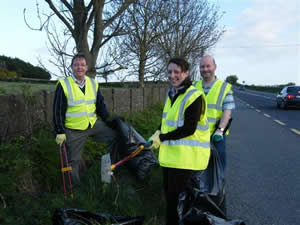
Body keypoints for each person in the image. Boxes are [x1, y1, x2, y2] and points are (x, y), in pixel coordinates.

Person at [148, 57, 211, 225]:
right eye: (169, 72)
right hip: (171, 156)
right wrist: (157, 131)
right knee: (170, 197)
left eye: (177, 72)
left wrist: (162, 137)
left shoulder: (194, 96)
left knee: (176, 200)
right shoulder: (172, 93)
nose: (172, 75)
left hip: (185, 158)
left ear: (186, 73)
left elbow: (189, 128)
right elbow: (167, 119)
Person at [53, 53, 121, 185]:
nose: (80, 67)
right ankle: (76, 189)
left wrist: (109, 121)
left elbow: (100, 106)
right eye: (76, 65)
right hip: (74, 129)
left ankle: (106, 174)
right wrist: (60, 131)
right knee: (73, 161)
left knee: (114, 136)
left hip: (93, 124)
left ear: (87, 67)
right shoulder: (64, 84)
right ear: (72, 67)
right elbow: (57, 110)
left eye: (82, 65)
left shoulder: (93, 83)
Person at [193, 55, 235, 170]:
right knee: (196, 166)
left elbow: (227, 113)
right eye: (202, 67)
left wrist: (220, 130)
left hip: (215, 135)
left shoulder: (224, 88)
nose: (205, 69)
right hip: (196, 135)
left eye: (208, 66)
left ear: (214, 67)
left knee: (218, 167)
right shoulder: (194, 86)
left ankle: (219, 187)